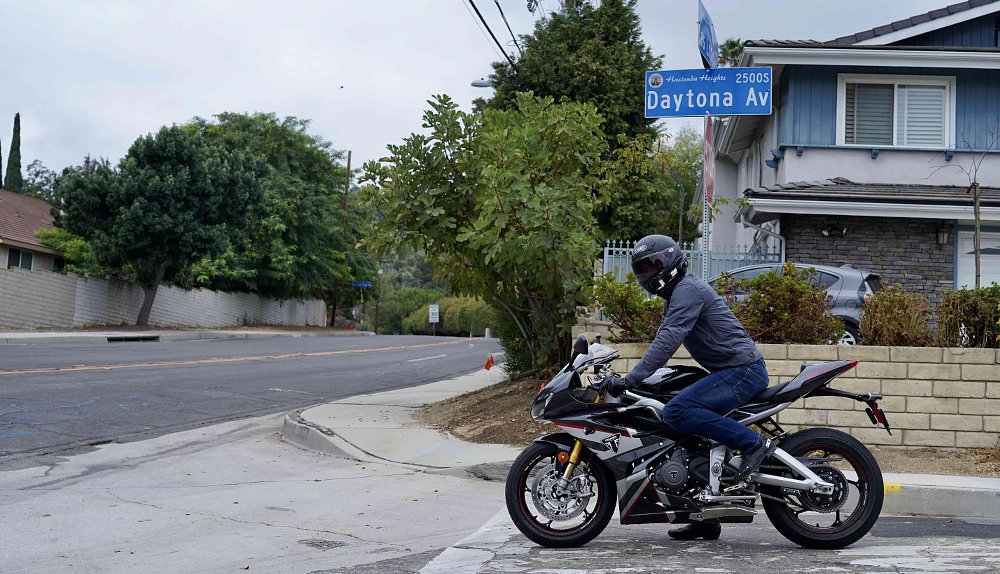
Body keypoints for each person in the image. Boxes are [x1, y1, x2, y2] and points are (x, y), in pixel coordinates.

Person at [595, 234, 775, 541]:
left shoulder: (687, 290)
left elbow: (667, 341)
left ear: (670, 262)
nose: (648, 275)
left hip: (743, 371)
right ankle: (703, 517)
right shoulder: (678, 295)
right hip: (731, 371)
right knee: (683, 428)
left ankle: (753, 444)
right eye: (643, 269)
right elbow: (664, 338)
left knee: (678, 411)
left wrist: (631, 379)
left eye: (653, 267)